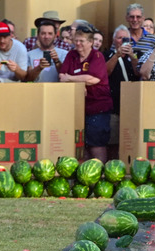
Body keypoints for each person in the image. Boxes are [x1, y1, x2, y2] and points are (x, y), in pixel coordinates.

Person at [60, 26, 112, 163]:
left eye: (82, 41)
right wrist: (80, 83)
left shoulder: (97, 56)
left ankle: (100, 174)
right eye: (76, 40)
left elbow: (93, 79)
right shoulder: (71, 55)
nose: (78, 44)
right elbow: (61, 76)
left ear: (90, 42)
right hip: (76, 109)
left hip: (97, 108)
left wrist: (71, 79)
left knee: (96, 144)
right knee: (79, 146)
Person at [105, 25, 139, 159]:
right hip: (114, 107)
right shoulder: (106, 54)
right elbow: (105, 72)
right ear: (114, 40)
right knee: (113, 143)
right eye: (120, 38)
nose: (122, 41)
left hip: (131, 108)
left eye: (126, 38)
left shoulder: (135, 54)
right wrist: (117, 55)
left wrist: (132, 56)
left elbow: (139, 73)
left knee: (132, 143)